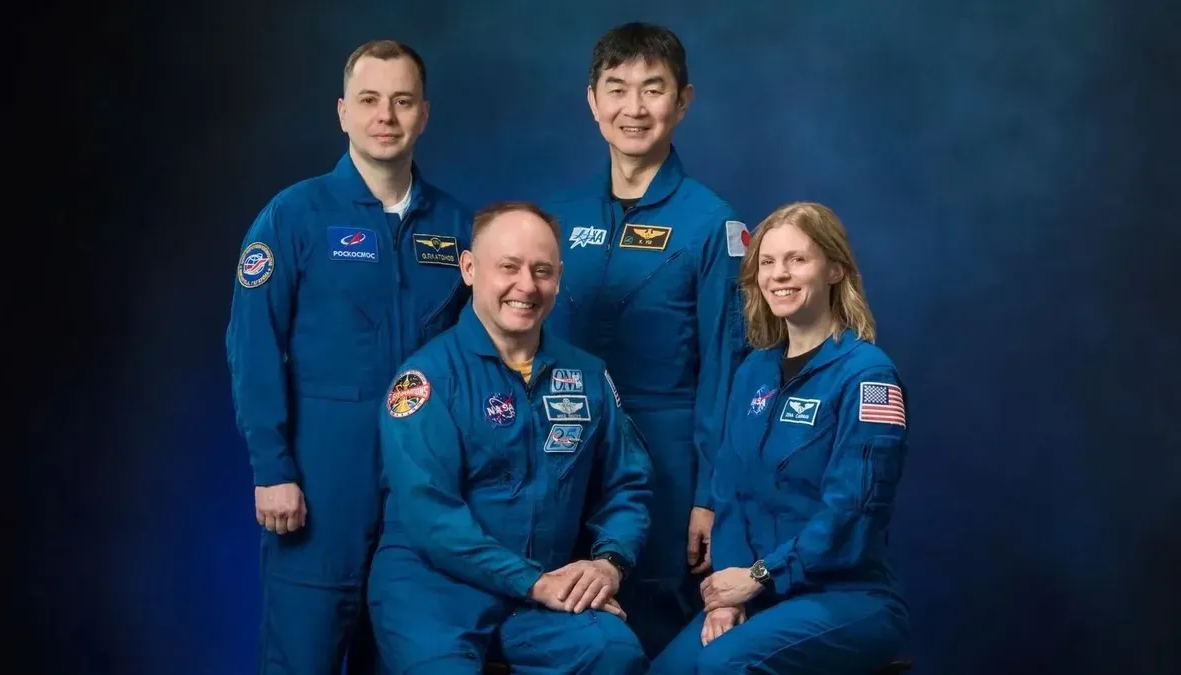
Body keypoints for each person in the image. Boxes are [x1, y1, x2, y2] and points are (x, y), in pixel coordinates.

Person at [225, 39, 474, 675]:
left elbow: (480, 353)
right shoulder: (293, 216)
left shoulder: (457, 225)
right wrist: (271, 466)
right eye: (369, 100)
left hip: (421, 488)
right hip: (319, 485)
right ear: (342, 112)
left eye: (401, 100)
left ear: (424, 113)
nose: (385, 115)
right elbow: (253, 345)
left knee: (400, 656)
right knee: (301, 659)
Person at [368, 201, 655, 674]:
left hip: (541, 589)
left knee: (614, 654)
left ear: (559, 278)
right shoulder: (425, 380)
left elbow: (627, 484)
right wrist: (534, 583)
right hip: (434, 592)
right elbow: (432, 521)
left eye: (542, 270)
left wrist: (608, 563)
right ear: (469, 269)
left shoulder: (587, 375)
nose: (526, 285)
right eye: (509, 267)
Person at [541, 21, 750, 657]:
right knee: (571, 626)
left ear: (682, 102)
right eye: (617, 88)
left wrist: (710, 496)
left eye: (653, 90)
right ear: (592, 101)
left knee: (657, 625)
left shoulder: (712, 222)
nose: (634, 108)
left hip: (669, 458)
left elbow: (730, 366)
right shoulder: (560, 216)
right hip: (564, 448)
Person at [647, 202, 911, 673]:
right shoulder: (753, 371)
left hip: (846, 598)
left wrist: (758, 577)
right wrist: (726, 595)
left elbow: (851, 515)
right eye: (767, 262)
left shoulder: (868, 377)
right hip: (759, 591)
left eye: (797, 260)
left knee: (724, 667)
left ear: (834, 269)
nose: (779, 275)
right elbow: (730, 493)